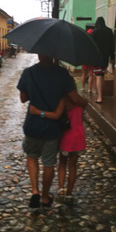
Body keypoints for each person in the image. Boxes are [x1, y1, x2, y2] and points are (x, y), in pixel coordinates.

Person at [17, 54, 87, 209]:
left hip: (32, 124)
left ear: (39, 54)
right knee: (49, 163)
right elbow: (74, 98)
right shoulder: (63, 74)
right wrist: (86, 101)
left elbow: (23, 98)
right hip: (52, 127)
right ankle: (45, 197)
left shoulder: (28, 72)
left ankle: (35, 190)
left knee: (32, 156)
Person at [29, 91, 86, 205]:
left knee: (62, 163)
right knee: (73, 166)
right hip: (79, 136)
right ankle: (69, 194)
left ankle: (61, 190)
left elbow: (56, 115)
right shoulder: (81, 101)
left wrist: (38, 112)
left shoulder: (64, 101)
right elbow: (81, 115)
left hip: (68, 136)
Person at [90, 17, 115, 104]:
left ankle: (99, 97)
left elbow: (91, 46)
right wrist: (112, 57)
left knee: (98, 76)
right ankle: (101, 95)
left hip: (97, 58)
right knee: (102, 75)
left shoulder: (94, 32)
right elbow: (112, 45)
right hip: (105, 57)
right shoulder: (109, 31)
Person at [81, 29, 95, 93]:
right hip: (91, 59)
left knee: (84, 74)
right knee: (90, 75)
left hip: (84, 59)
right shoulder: (94, 42)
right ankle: (89, 89)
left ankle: (83, 87)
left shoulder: (84, 41)